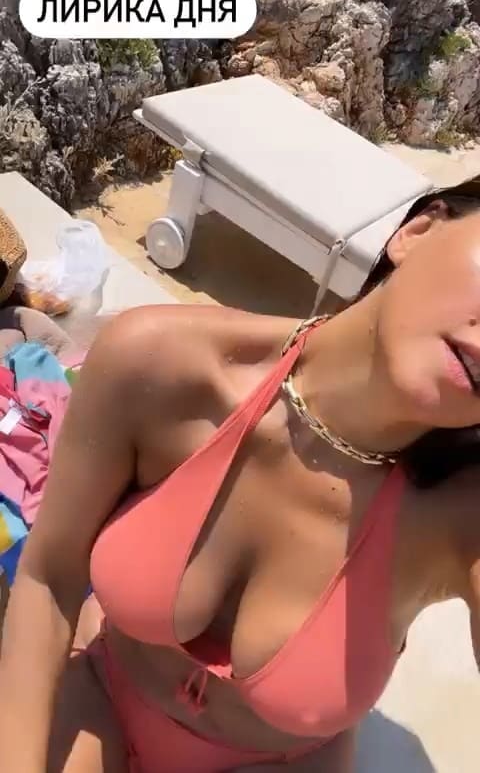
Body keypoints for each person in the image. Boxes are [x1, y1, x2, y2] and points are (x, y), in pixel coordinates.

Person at [2, 182, 480, 773]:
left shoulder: (460, 514)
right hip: (106, 697)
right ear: (418, 231)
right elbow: (49, 578)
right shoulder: (163, 363)